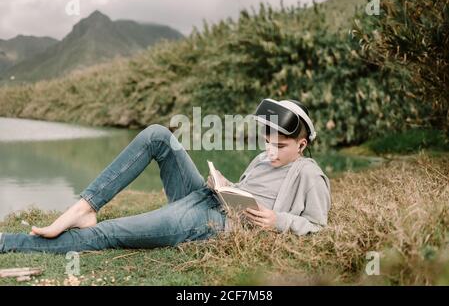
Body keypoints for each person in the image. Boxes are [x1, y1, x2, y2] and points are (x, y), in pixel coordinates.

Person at [0, 99, 331, 254]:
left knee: (109, 234)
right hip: (209, 198)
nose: (271, 151)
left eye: (281, 146)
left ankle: (8, 243)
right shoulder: (264, 157)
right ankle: (85, 206)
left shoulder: (309, 173)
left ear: (302, 144)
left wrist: (278, 221)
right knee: (159, 135)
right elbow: (251, 190)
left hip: (212, 222)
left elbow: (317, 225)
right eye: (267, 142)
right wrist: (227, 185)